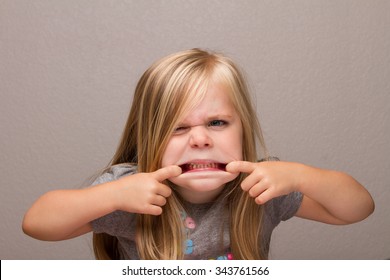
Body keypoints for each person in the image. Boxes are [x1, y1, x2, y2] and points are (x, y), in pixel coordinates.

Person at [22, 48, 374, 260]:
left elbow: (356, 209)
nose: (201, 139)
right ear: (149, 139)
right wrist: (112, 195)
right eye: (178, 128)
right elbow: (37, 223)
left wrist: (300, 176)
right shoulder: (131, 194)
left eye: (217, 122)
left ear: (243, 130)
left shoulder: (260, 188)